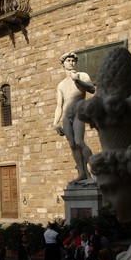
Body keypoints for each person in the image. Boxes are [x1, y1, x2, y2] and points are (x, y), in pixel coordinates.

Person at [51, 51, 96, 183]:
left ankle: (95, 172)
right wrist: (55, 123)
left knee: (79, 142)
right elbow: (59, 105)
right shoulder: (61, 84)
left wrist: (77, 80)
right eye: (68, 61)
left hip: (78, 113)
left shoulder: (82, 75)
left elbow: (92, 89)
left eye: (73, 61)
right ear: (63, 64)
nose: (71, 63)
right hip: (66, 116)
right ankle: (82, 173)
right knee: (72, 145)